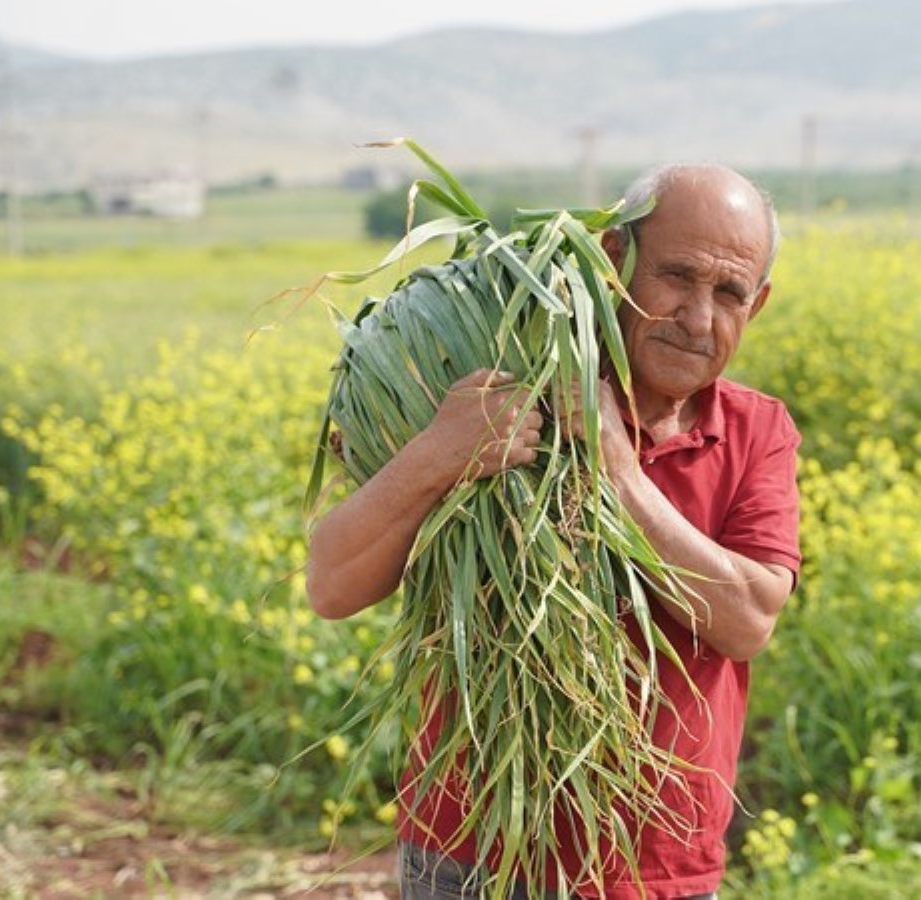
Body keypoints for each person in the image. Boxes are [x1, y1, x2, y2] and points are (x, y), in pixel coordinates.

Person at [306, 163, 801, 899]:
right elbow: (331, 584)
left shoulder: (758, 431)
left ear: (755, 306)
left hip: (658, 873)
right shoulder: (504, 395)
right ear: (612, 258)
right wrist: (441, 452)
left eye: (728, 293)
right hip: (470, 859)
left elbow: (748, 619)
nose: (699, 319)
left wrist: (617, 472)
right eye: (677, 277)